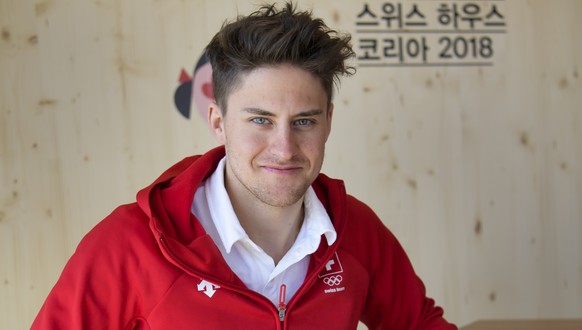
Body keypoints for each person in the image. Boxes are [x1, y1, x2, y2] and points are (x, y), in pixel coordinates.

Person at [32, 2, 456, 329]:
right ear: (218, 121)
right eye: (260, 121)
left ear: (328, 120)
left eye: (303, 121)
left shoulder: (356, 232)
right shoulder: (129, 244)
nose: (284, 147)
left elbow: (420, 324)